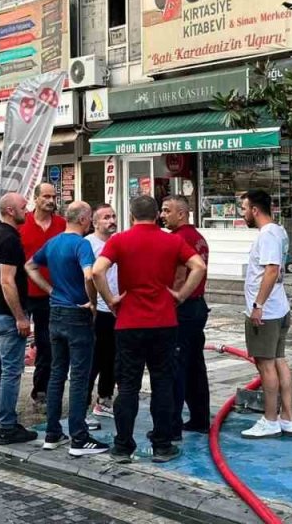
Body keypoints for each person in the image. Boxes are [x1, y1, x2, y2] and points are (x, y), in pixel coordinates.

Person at [91, 196, 207, 464]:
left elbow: (97, 271)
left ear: (131, 215)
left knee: (128, 385)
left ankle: (122, 446)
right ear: (156, 216)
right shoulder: (172, 240)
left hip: (129, 322)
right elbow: (198, 266)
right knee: (163, 384)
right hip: (164, 322)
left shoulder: (119, 240)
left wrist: (110, 299)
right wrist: (179, 295)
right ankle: (162, 445)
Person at [26, 201, 111, 457]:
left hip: (56, 313)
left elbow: (30, 265)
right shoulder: (81, 244)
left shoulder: (53, 243)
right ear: (85, 219)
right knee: (80, 376)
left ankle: (53, 433)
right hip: (77, 314)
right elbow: (90, 274)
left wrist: (50, 290)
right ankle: (79, 437)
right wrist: (93, 302)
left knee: (57, 373)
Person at [238, 190, 292, 439]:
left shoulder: (268, 235)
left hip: (267, 312)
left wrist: (258, 305)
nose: (242, 214)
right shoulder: (279, 231)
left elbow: (271, 270)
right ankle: (287, 419)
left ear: (255, 210)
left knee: (266, 365)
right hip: (278, 308)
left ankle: (270, 419)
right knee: (279, 360)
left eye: (244, 208)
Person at [0, 192, 38, 445]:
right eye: (23, 207)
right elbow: (7, 280)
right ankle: (6, 425)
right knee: (10, 371)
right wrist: (20, 317)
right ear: (9, 211)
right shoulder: (8, 238)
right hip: (5, 314)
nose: (28, 209)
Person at [161, 195, 212, 440]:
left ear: (181, 214)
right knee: (194, 365)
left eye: (167, 210)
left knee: (177, 366)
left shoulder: (179, 239)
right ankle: (200, 418)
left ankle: (172, 425)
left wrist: (175, 299)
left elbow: (180, 275)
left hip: (184, 307)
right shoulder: (198, 237)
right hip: (197, 307)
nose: (162, 215)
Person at [20, 183, 66, 406]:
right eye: (46, 196)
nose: (50, 200)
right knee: (16, 341)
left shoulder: (62, 224)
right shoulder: (23, 222)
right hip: (23, 291)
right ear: (35, 199)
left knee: (46, 342)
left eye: (53, 196)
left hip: (50, 292)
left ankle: (41, 389)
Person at [86, 203, 119, 419]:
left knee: (113, 358)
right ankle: (83, 401)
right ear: (95, 222)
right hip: (98, 309)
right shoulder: (88, 244)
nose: (111, 220)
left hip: (117, 308)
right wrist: (92, 303)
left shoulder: (119, 241)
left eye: (113, 216)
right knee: (95, 358)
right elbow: (88, 277)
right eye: (106, 217)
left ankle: (105, 399)